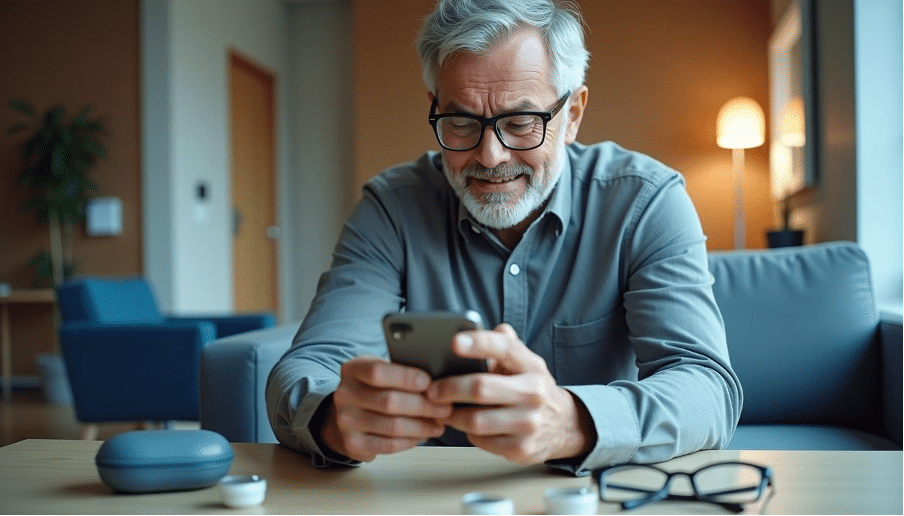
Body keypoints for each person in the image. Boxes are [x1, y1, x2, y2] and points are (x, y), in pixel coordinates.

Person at [267, 0, 742, 476]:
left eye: (519, 123)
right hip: (437, 498)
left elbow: (708, 388)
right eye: (461, 123)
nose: (490, 156)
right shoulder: (392, 208)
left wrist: (574, 421)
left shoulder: (646, 202)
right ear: (435, 109)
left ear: (572, 113)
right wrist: (333, 418)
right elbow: (308, 366)